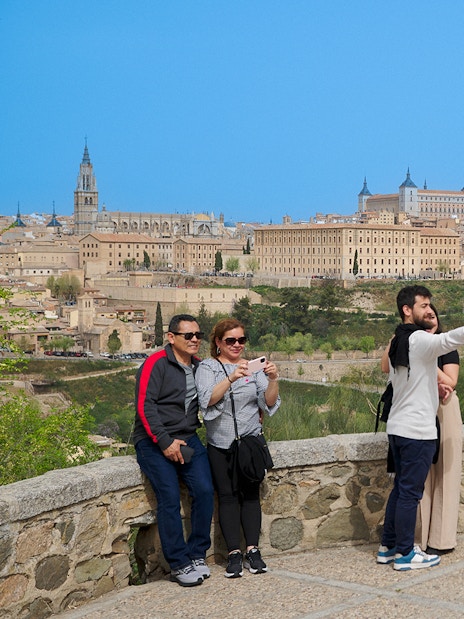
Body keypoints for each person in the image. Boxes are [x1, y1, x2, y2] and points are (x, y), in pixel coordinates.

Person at [376, 285, 464, 571]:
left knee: (401, 489)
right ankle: (404, 554)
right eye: (424, 305)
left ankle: (388, 546)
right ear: (407, 310)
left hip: (399, 427)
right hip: (417, 431)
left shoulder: (398, 341)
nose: (429, 310)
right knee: (410, 493)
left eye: (430, 305)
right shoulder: (418, 340)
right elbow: (450, 339)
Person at [195, 318, 280, 578]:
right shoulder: (208, 367)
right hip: (220, 444)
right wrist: (232, 377)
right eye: (230, 340)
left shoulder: (255, 368)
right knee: (228, 497)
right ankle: (233, 553)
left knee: (251, 496)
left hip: (249, 442)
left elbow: (269, 403)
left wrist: (274, 379)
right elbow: (206, 399)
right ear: (218, 342)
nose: (237, 345)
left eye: (241, 340)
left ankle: (253, 551)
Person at [133, 314, 214, 587]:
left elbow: (211, 399)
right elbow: (145, 406)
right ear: (171, 337)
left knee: (204, 490)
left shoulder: (200, 367)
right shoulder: (155, 364)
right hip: (152, 441)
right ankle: (179, 564)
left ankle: (197, 554)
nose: (194, 340)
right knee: (168, 496)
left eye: (198, 336)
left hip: (188, 437)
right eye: (187, 336)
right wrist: (165, 442)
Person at [416, 304, 462, 555]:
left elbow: (451, 382)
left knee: (446, 472)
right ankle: (419, 539)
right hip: (421, 407)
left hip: (444, 409)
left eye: (433, 316)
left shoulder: (447, 348)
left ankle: (441, 540)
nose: (430, 319)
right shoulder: (412, 344)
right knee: (422, 475)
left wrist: (425, 360)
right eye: (426, 316)